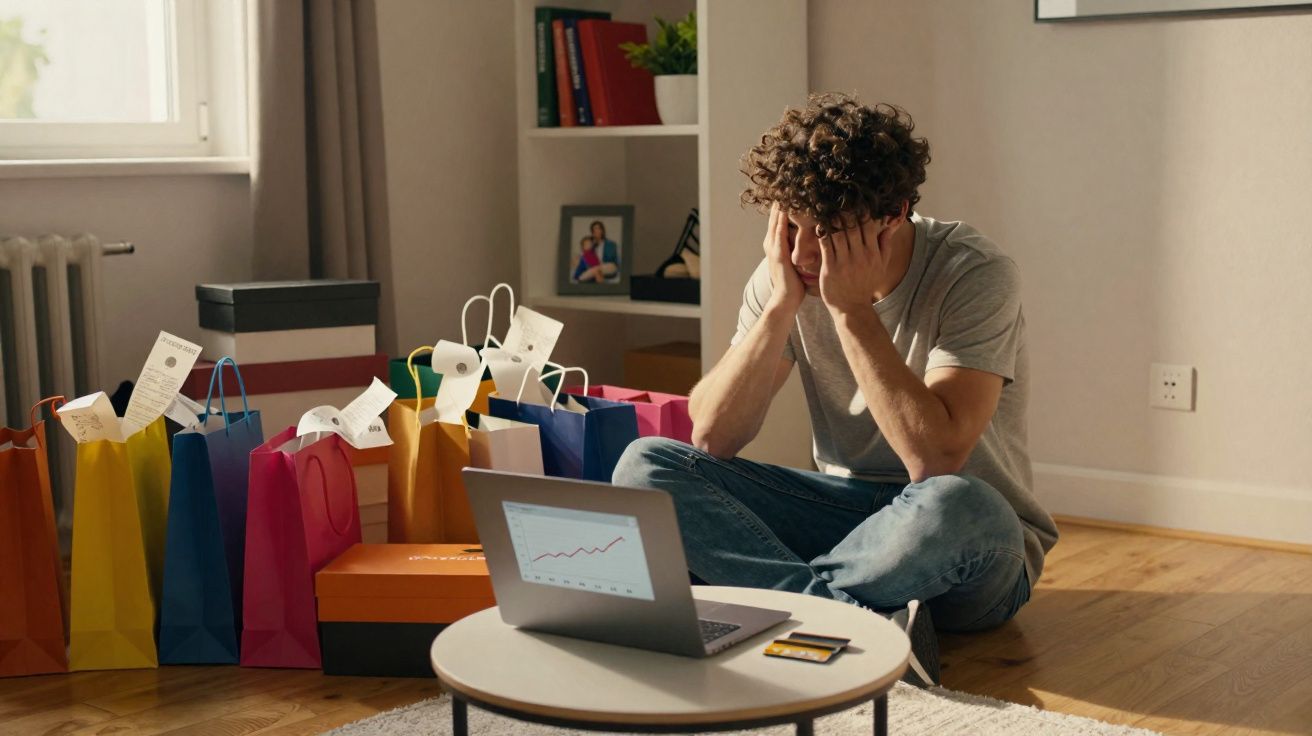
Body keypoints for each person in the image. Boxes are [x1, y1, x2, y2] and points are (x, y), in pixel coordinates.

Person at [613, 93, 1058, 683]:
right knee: (646, 466)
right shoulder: (786, 274)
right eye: (790, 226)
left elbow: (937, 458)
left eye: (825, 233)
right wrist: (778, 310)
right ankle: (847, 622)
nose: (799, 253)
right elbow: (713, 436)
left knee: (959, 502)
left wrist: (851, 312)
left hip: (964, 540)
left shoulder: (973, 273)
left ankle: (774, 605)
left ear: (893, 213)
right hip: (847, 522)